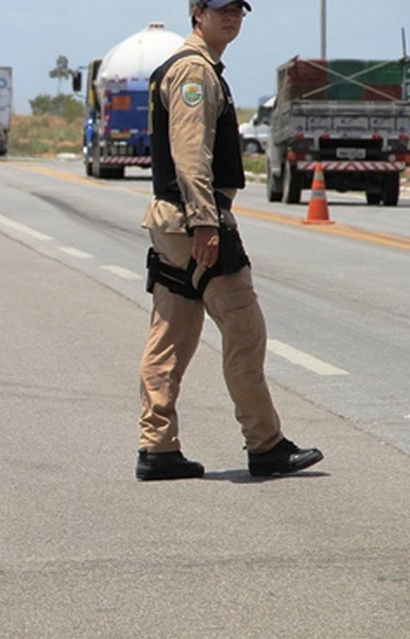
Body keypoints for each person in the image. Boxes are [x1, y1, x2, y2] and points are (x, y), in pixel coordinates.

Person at [136, 0, 323, 480]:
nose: (232, 16)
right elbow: (189, 153)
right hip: (193, 220)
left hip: (171, 220)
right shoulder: (194, 73)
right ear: (197, 12)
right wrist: (206, 222)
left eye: (238, 9)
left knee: (170, 337)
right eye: (221, 9)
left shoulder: (187, 67)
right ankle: (265, 444)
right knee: (244, 331)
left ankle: (157, 449)